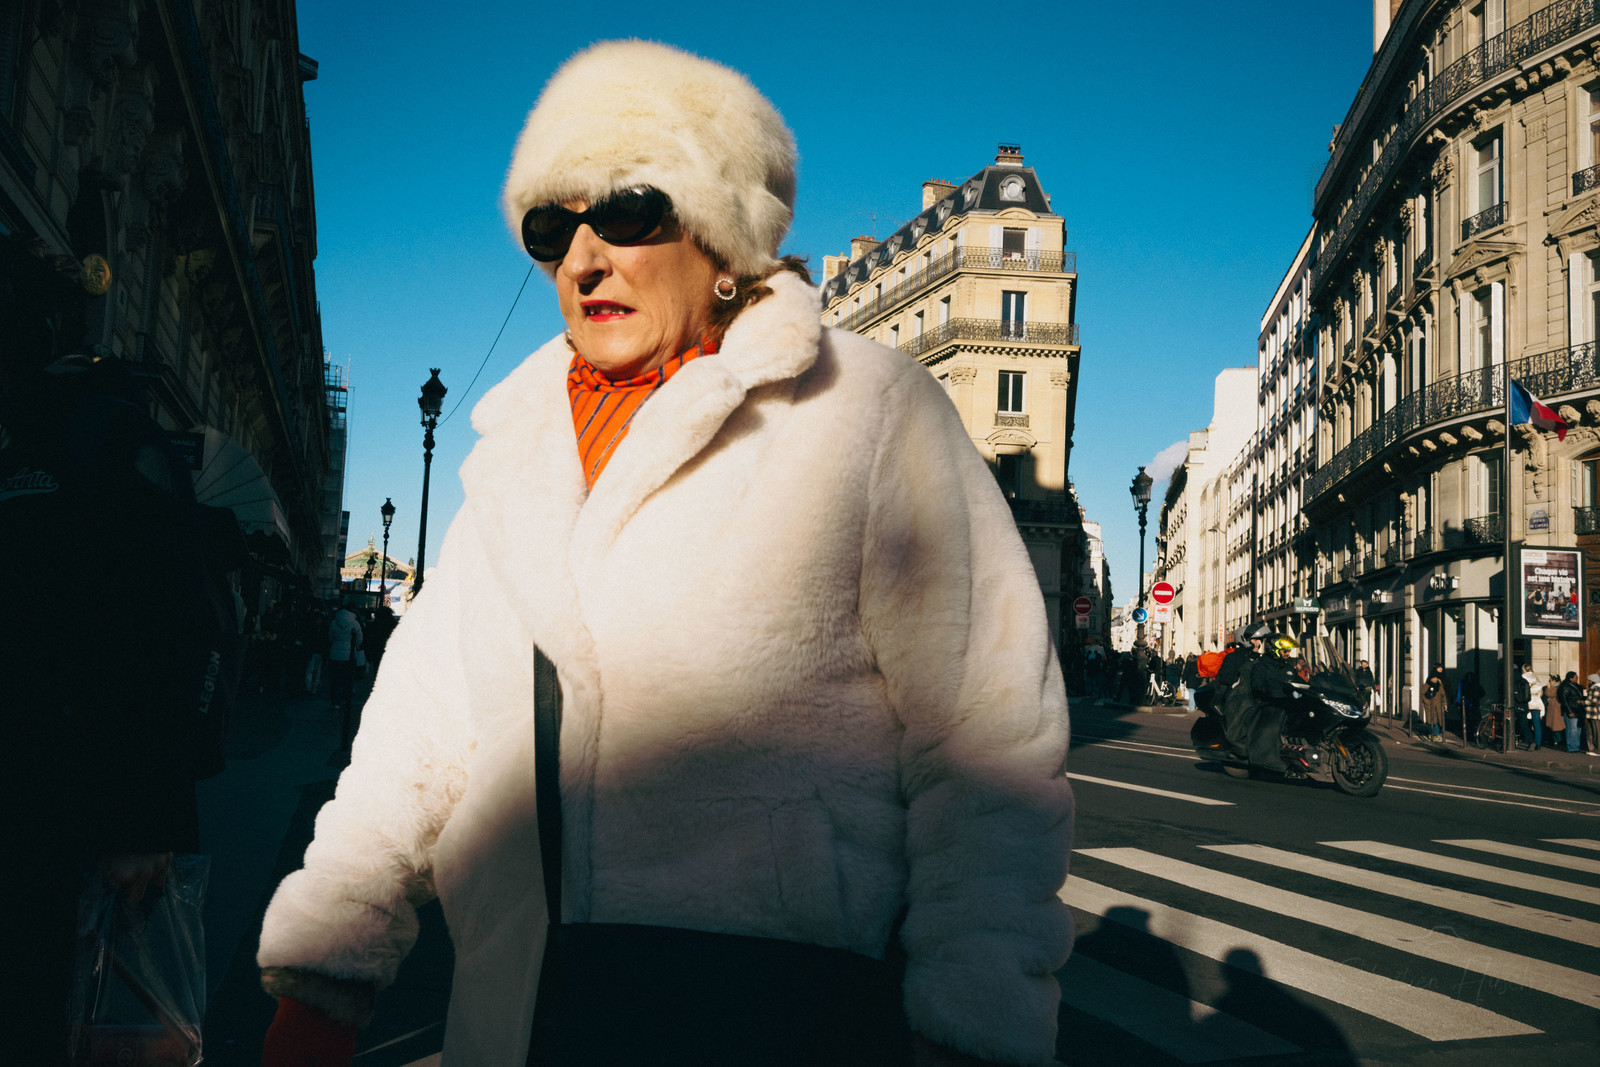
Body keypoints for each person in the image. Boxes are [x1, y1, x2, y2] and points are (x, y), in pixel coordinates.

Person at [256, 41, 1073, 1067]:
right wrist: (325, 982)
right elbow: (414, 744)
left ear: (722, 233)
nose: (583, 258)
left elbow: (987, 746)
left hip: (774, 1014)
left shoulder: (863, 412)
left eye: (627, 211)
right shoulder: (514, 453)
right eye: (552, 228)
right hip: (514, 1016)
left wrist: (973, 1022)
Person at [1, 239, 229, 1064]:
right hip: (27, 780)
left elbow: (179, 619)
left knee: (62, 1019)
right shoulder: (23, 432)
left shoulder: (107, 430)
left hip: (79, 802)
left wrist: (150, 812)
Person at [325, 603, 364, 714]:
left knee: (335, 679)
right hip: (349, 654)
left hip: (335, 653)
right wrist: (355, 646)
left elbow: (330, 636)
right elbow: (359, 638)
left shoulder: (334, 622)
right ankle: (347, 699)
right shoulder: (355, 623)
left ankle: (335, 702)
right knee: (348, 678)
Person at [1558, 671, 1584, 754]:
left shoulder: (1577, 686)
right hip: (1571, 710)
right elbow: (1564, 700)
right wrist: (1569, 711)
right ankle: (1572, 747)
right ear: (1571, 678)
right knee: (1572, 729)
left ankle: (1576, 746)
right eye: (1576, 677)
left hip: (1578, 710)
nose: (1577, 679)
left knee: (1578, 729)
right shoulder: (1565, 686)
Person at [1420, 666, 1447, 741]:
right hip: (1429, 706)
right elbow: (1422, 695)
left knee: (1438, 720)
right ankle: (1431, 734)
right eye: (1433, 678)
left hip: (1438, 705)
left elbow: (1443, 695)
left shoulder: (1439, 686)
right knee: (1431, 720)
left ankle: (1436, 734)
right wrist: (1427, 701)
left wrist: (1445, 704)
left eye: (1436, 678)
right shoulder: (1426, 685)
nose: (1435, 680)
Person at [1543, 674, 1563, 750]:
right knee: (1553, 724)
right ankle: (1555, 739)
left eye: (1550, 680)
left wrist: (1548, 688)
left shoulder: (1556, 687)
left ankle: (1557, 740)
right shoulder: (1556, 687)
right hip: (1553, 708)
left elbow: (1549, 694)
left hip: (1555, 708)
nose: (1549, 682)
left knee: (1556, 725)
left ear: (1554, 681)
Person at [1585, 673, 1600, 755]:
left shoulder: (1596, 688)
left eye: (1589, 680)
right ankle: (1592, 748)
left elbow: (1594, 702)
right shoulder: (1594, 688)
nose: (1588, 682)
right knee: (1590, 731)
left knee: (1596, 732)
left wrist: (1582, 702)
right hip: (1591, 713)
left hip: (1594, 713)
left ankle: (1597, 749)